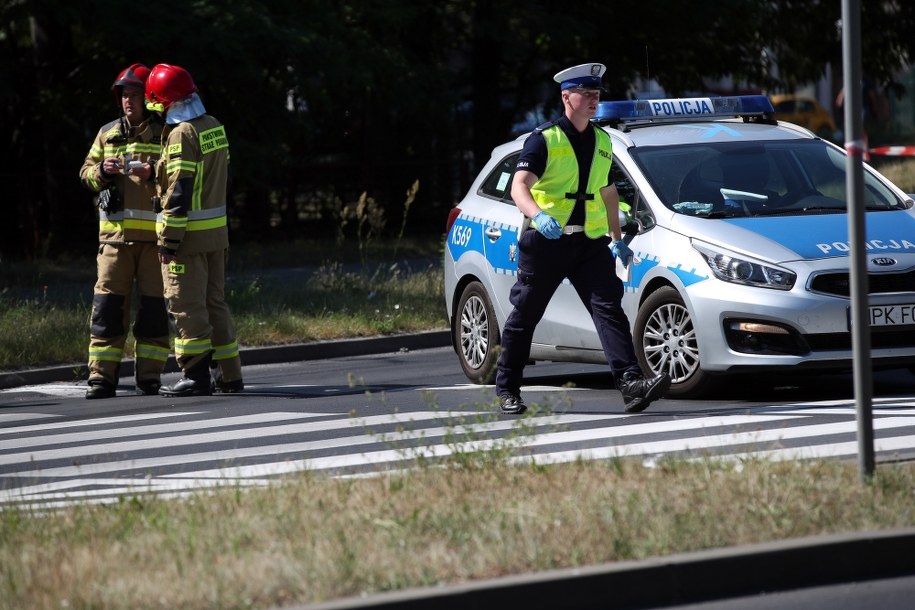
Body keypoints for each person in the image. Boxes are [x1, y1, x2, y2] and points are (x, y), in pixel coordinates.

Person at [495, 62, 670, 415]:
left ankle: (631, 383)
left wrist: (618, 239)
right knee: (526, 314)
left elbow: (606, 193)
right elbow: (519, 186)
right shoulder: (543, 139)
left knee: (609, 310)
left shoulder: (603, 140)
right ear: (566, 97)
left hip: (589, 244)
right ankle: (507, 388)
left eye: (597, 94)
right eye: (587, 94)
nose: (594, 100)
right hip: (546, 243)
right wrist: (539, 216)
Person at [144, 63, 244, 397]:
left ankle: (196, 375)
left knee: (186, 306)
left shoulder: (179, 134)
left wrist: (168, 242)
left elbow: (180, 192)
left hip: (187, 239)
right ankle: (230, 375)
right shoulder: (214, 125)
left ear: (163, 100)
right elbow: (219, 180)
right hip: (217, 235)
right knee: (216, 303)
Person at [79, 63, 170, 399]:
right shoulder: (107, 134)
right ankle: (101, 378)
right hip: (114, 243)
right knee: (106, 311)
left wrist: (153, 175)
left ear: (149, 98)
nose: (128, 101)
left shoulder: (165, 134)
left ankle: (149, 377)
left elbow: (181, 178)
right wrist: (102, 170)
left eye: (135, 95)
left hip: (154, 243)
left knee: (154, 313)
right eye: (124, 96)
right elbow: (85, 173)